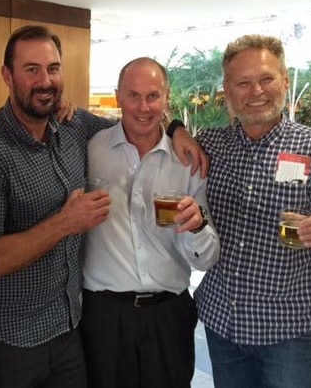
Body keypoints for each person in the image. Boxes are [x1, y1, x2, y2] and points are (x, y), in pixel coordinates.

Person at [0, 25, 207, 388]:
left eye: (53, 68)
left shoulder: (73, 127)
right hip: (11, 337)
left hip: (70, 326)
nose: (45, 80)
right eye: (31, 69)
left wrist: (176, 129)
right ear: (6, 76)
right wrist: (65, 223)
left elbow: (137, 122)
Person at [194, 34, 311, 388]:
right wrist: (175, 129)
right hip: (223, 323)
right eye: (243, 83)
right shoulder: (209, 144)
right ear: (228, 91)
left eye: (267, 79)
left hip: (289, 333)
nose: (257, 92)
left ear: (284, 80)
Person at [81, 57, 220, 388]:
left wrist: (196, 226)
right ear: (118, 97)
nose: (143, 107)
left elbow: (207, 257)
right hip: (104, 315)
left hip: (168, 314)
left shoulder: (187, 159)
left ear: (167, 98)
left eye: (153, 96)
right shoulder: (90, 148)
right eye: (133, 95)